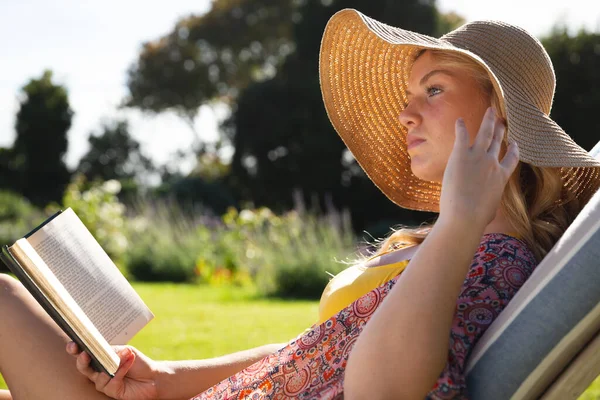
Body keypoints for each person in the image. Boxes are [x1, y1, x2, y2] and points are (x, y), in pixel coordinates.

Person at [1, 8, 599, 400]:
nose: (406, 112)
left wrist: (462, 220)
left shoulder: (492, 264)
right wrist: (165, 377)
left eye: (434, 88)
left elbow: (380, 392)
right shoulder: (456, 250)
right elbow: (317, 353)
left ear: (501, 121)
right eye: (411, 93)